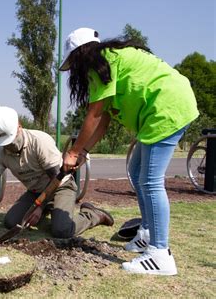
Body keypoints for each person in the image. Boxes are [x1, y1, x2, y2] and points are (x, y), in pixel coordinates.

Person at [59, 27, 199, 276]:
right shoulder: (111, 61)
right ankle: (146, 232)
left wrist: (74, 151)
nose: (76, 72)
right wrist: (83, 152)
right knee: (136, 172)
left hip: (165, 109)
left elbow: (94, 114)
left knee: (151, 182)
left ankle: (159, 253)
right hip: (164, 106)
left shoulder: (103, 63)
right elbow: (103, 122)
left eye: (73, 64)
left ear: (80, 55)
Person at [0, 106, 114, 238]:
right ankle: (50, 210)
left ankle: (92, 215)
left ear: (19, 127)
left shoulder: (39, 142)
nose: (8, 146)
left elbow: (56, 178)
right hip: (36, 191)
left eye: (10, 140)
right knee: (11, 222)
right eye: (4, 143)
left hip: (61, 186)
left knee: (61, 230)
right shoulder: (0, 153)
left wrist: (39, 207)